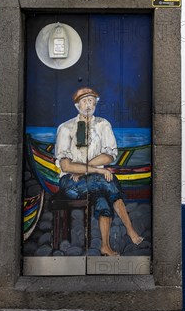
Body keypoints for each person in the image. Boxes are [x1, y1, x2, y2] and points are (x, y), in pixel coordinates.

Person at [55, 87, 143, 256]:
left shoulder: (103, 124)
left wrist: (82, 169)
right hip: (70, 182)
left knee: (103, 197)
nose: (88, 105)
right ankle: (130, 229)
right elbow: (66, 166)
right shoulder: (66, 128)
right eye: (84, 101)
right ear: (77, 105)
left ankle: (105, 246)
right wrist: (96, 169)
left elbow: (109, 156)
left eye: (91, 101)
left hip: (94, 179)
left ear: (96, 103)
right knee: (106, 181)